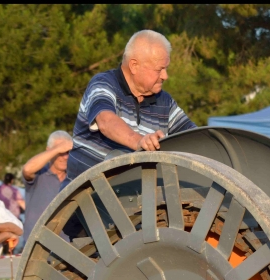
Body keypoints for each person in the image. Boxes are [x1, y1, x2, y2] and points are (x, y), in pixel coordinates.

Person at [67, 29, 196, 184]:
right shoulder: (103, 84)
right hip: (84, 199)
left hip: (134, 202)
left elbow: (192, 136)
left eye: (166, 68)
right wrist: (139, 142)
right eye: (159, 69)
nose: (165, 76)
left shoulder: (165, 102)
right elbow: (105, 121)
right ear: (134, 66)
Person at [21, 131, 73, 242]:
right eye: (61, 152)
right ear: (49, 151)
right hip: (36, 248)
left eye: (68, 152)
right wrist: (58, 148)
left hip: (67, 249)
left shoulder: (74, 178)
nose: (65, 157)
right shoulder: (39, 174)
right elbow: (27, 169)